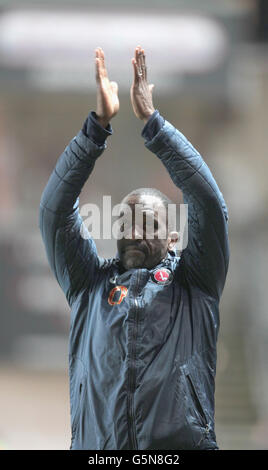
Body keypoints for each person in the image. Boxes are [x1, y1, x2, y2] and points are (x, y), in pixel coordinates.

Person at [39, 45, 229, 450]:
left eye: (149, 222)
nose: (135, 229)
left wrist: (154, 125)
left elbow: (208, 204)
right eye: (126, 221)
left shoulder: (196, 282)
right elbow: (54, 212)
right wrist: (95, 130)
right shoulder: (89, 285)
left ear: (174, 237)